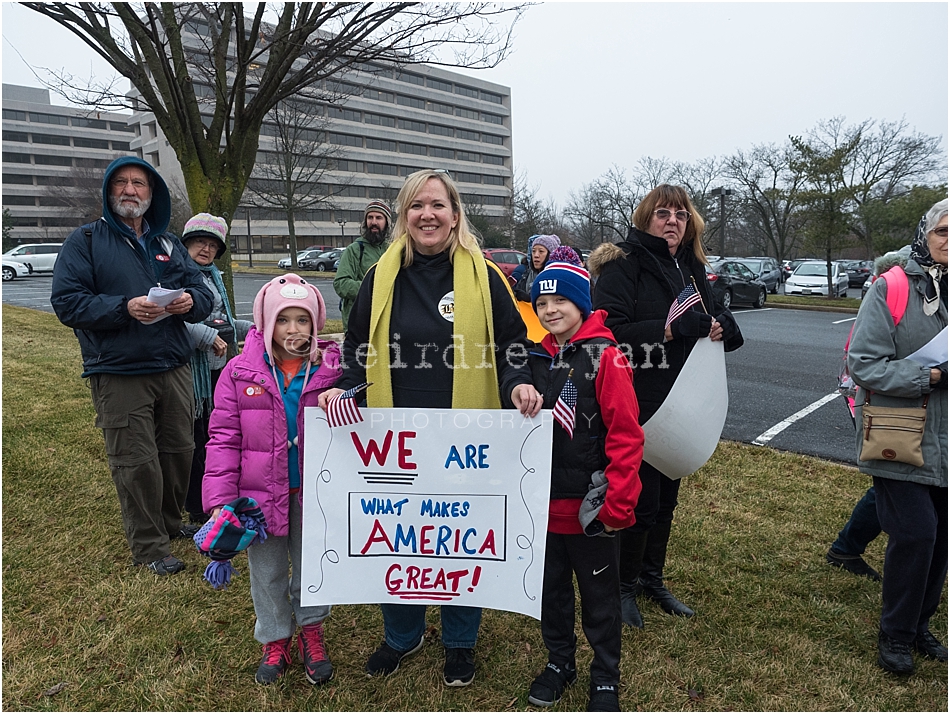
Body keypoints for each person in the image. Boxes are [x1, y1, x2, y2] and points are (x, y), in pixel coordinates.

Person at [319, 169, 541, 688]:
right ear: (404, 215)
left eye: (437, 205)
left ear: (455, 214)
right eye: (416, 205)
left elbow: (512, 344)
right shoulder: (379, 275)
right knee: (397, 534)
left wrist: (516, 385)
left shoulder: (485, 277)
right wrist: (343, 386)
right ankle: (402, 633)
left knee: (460, 533)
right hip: (392, 435)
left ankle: (460, 641)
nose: (428, 214)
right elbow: (356, 346)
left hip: (465, 434)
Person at [51, 156, 213, 576]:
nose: (130, 190)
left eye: (139, 184)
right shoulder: (85, 241)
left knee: (179, 450)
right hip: (120, 371)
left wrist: (191, 301)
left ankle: (170, 523)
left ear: (151, 193)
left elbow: (202, 290)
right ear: (108, 192)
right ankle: (149, 545)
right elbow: (67, 303)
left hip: (173, 364)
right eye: (120, 183)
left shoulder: (169, 243)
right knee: (136, 460)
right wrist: (124, 308)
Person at [589, 184, 743, 628]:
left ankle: (651, 579)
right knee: (639, 500)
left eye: (679, 213)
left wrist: (722, 326)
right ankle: (621, 587)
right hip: (637, 399)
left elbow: (710, 318)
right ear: (645, 219)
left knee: (667, 495)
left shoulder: (691, 268)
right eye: (662, 213)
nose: (671, 220)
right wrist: (670, 330)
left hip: (683, 399)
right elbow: (609, 330)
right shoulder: (624, 265)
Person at [203, 273, 343, 685]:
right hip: (257, 497)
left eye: (303, 320)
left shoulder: (332, 369)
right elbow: (224, 436)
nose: (294, 330)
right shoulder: (239, 372)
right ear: (266, 322)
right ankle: (275, 637)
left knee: (312, 566)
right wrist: (220, 498)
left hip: (314, 494)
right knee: (266, 571)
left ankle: (312, 630)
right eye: (284, 320)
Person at [525, 261, 643, 712]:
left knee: (599, 598)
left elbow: (626, 434)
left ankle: (605, 674)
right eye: (542, 302)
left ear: (582, 303)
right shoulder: (537, 356)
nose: (550, 309)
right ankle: (559, 662)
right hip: (544, 504)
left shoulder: (606, 357)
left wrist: (617, 501)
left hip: (591, 510)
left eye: (560, 301)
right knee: (551, 593)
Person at [848, 199, 947, 675]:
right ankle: (896, 634)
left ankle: (920, 624)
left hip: (947, 445)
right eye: (944, 231)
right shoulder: (892, 286)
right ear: (924, 234)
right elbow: (863, 364)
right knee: (916, 534)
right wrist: (929, 378)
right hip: (901, 437)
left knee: (942, 540)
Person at [826, 247, 911, 582]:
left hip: (898, 398)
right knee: (892, 479)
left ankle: (848, 546)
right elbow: (864, 357)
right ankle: (847, 547)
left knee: (893, 480)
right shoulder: (891, 290)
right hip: (876, 397)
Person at [180, 213, 253, 524]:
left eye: (212, 245)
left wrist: (256, 329)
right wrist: (208, 337)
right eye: (199, 242)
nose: (205, 250)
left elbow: (224, 321)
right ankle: (196, 505)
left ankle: (219, 496)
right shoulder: (176, 275)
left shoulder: (214, 277)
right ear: (186, 244)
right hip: (193, 372)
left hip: (221, 369)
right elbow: (173, 322)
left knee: (219, 434)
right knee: (196, 438)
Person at [333, 200, 392, 331]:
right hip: (358, 326)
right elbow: (341, 284)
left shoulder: (393, 251)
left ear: (387, 222)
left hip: (386, 325)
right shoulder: (354, 250)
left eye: (379, 218)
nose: (374, 222)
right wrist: (373, 288)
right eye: (370, 217)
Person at [513, 234, 561, 301]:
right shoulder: (527, 274)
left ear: (551, 254)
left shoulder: (558, 277)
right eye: (533, 251)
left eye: (541, 251)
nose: (536, 255)